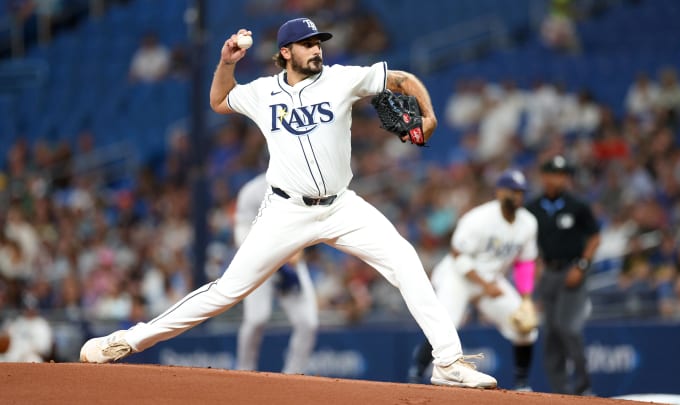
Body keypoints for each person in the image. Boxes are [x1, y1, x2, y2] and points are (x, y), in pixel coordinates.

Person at [79, 17, 497, 389]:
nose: (318, 48)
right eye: (308, 43)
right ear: (286, 52)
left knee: (406, 262)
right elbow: (220, 102)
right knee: (227, 290)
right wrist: (227, 62)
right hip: (286, 210)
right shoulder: (262, 92)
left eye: (320, 42)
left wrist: (428, 114)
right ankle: (126, 340)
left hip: (341, 207)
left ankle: (448, 362)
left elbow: (401, 79)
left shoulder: (340, 79)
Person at [408, 169, 539, 390]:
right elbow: (458, 255)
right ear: (499, 192)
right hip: (458, 277)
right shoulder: (479, 218)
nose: (515, 196)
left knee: (525, 326)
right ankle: (415, 375)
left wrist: (526, 298)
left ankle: (522, 383)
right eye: (511, 191)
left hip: (492, 281)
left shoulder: (528, 223)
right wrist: (485, 285)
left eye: (520, 192)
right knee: (444, 325)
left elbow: (525, 263)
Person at [525, 155, 600, 395]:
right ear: (545, 176)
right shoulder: (533, 209)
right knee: (551, 333)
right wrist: (534, 274)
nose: (561, 179)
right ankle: (561, 392)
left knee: (568, 327)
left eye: (564, 175)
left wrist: (582, 265)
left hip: (572, 270)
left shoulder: (577, 206)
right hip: (548, 272)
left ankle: (584, 385)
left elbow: (595, 237)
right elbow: (528, 244)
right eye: (556, 174)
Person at [234, 173, 318, 374]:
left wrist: (297, 251)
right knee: (256, 319)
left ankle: (294, 374)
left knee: (308, 322)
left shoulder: (302, 185)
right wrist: (266, 256)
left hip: (289, 263)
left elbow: (310, 224)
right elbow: (241, 232)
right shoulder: (252, 190)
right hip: (259, 264)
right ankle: (244, 371)